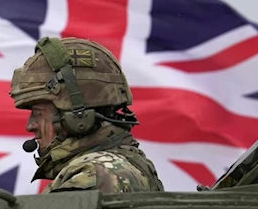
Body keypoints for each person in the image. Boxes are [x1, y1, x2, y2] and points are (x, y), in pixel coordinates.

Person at [9, 36, 164, 194]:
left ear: (77, 117)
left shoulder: (96, 174)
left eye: (38, 113)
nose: (30, 126)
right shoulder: (116, 165)